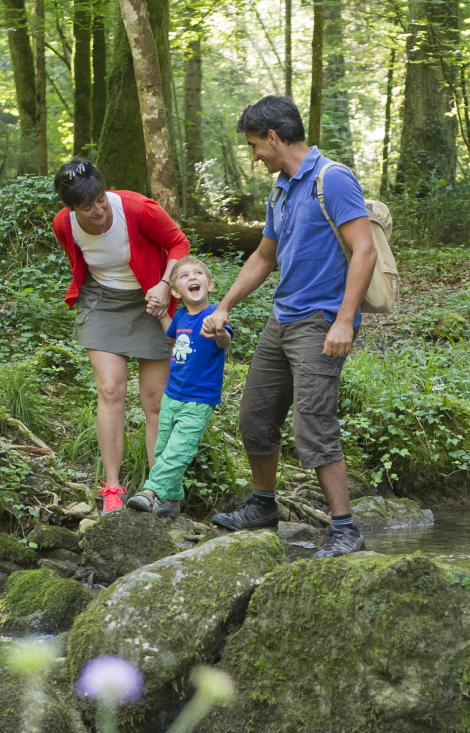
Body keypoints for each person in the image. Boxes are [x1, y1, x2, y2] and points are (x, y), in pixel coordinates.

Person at [201, 95, 377, 557]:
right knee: (255, 417)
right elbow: (264, 256)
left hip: (320, 322)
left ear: (274, 137)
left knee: (312, 424)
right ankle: (263, 505)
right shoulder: (281, 187)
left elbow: (365, 250)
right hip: (282, 319)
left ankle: (344, 527)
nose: (255, 156)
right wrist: (224, 305)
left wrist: (344, 320)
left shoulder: (332, 179)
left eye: (255, 146)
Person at [51, 158, 191, 516]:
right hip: (103, 302)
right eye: (87, 207)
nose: (98, 210)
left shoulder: (136, 208)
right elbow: (77, 259)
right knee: (111, 389)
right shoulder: (63, 225)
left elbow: (179, 244)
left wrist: (164, 285)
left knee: (154, 400)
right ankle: (111, 489)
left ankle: (160, 487)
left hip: (152, 298)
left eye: (100, 200)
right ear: (71, 209)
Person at [126, 256, 232, 518]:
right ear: (175, 291)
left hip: (199, 399)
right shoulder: (182, 315)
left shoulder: (214, 314)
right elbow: (172, 334)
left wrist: (219, 333)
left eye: (198, 273)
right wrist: (162, 314)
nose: (192, 278)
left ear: (210, 284)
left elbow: (225, 341)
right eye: (184, 276)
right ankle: (172, 502)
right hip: (171, 396)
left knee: (177, 451)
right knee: (162, 449)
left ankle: (150, 492)